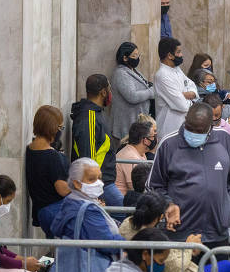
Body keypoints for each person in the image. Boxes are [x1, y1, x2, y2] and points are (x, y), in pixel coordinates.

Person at [147, 103, 230, 251]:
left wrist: (228, 206)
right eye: (190, 128)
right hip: (179, 234)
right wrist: (168, 205)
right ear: (185, 120)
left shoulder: (225, 140)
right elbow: (154, 185)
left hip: (217, 233)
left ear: (210, 126)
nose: (194, 133)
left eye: (200, 131)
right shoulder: (169, 144)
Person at [41, 158, 125, 272]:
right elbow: (105, 241)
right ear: (76, 183)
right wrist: (126, 242)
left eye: (100, 178)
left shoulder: (70, 202)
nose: (99, 183)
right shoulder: (87, 209)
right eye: (92, 179)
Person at [71, 74, 122, 207]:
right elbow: (87, 157)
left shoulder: (97, 113)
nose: (110, 93)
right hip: (101, 185)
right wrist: (94, 194)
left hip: (105, 182)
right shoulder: (89, 118)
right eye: (109, 89)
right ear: (103, 92)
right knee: (127, 212)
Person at [26, 106, 71, 236]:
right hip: (55, 211)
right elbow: (62, 189)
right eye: (60, 128)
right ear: (52, 128)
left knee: (54, 247)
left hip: (41, 211)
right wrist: (79, 183)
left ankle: (51, 258)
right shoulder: (53, 157)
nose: (61, 132)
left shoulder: (30, 149)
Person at [110, 42, 155, 141]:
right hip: (127, 122)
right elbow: (132, 96)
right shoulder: (120, 74)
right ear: (125, 58)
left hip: (137, 121)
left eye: (138, 55)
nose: (137, 58)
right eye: (134, 56)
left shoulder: (132, 70)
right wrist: (152, 92)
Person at [155, 37, 198, 136]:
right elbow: (182, 105)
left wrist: (186, 94)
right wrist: (186, 96)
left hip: (184, 124)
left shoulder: (176, 68)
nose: (181, 55)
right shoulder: (162, 75)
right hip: (170, 128)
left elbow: (192, 85)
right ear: (170, 55)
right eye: (178, 52)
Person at [115, 120, 156, 195]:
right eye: (153, 136)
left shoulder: (139, 152)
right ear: (145, 140)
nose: (155, 139)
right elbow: (135, 187)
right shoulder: (131, 157)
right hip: (123, 201)